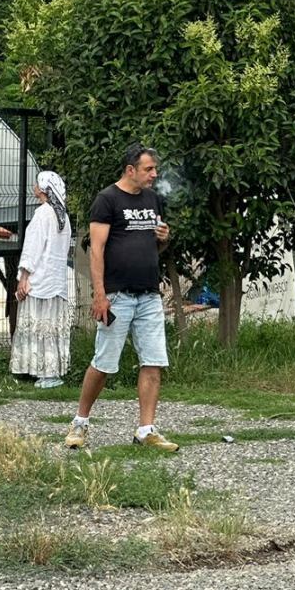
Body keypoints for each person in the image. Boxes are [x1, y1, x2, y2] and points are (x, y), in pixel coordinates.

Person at [65, 144, 178, 451]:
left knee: (154, 361)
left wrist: (163, 241)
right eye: (148, 169)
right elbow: (97, 250)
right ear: (131, 170)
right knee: (103, 363)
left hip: (149, 294)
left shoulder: (153, 199)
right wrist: (100, 295)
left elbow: (153, 248)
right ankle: (80, 423)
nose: (154, 174)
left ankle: (146, 429)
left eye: (154, 169)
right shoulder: (107, 200)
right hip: (117, 296)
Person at [10, 171, 74, 389]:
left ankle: (41, 371)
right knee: (51, 325)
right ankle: (52, 370)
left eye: (37, 183)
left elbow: (32, 248)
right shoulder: (62, 215)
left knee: (38, 324)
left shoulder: (42, 214)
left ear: (44, 189)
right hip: (56, 279)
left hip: (39, 278)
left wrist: (23, 277)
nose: (34, 186)